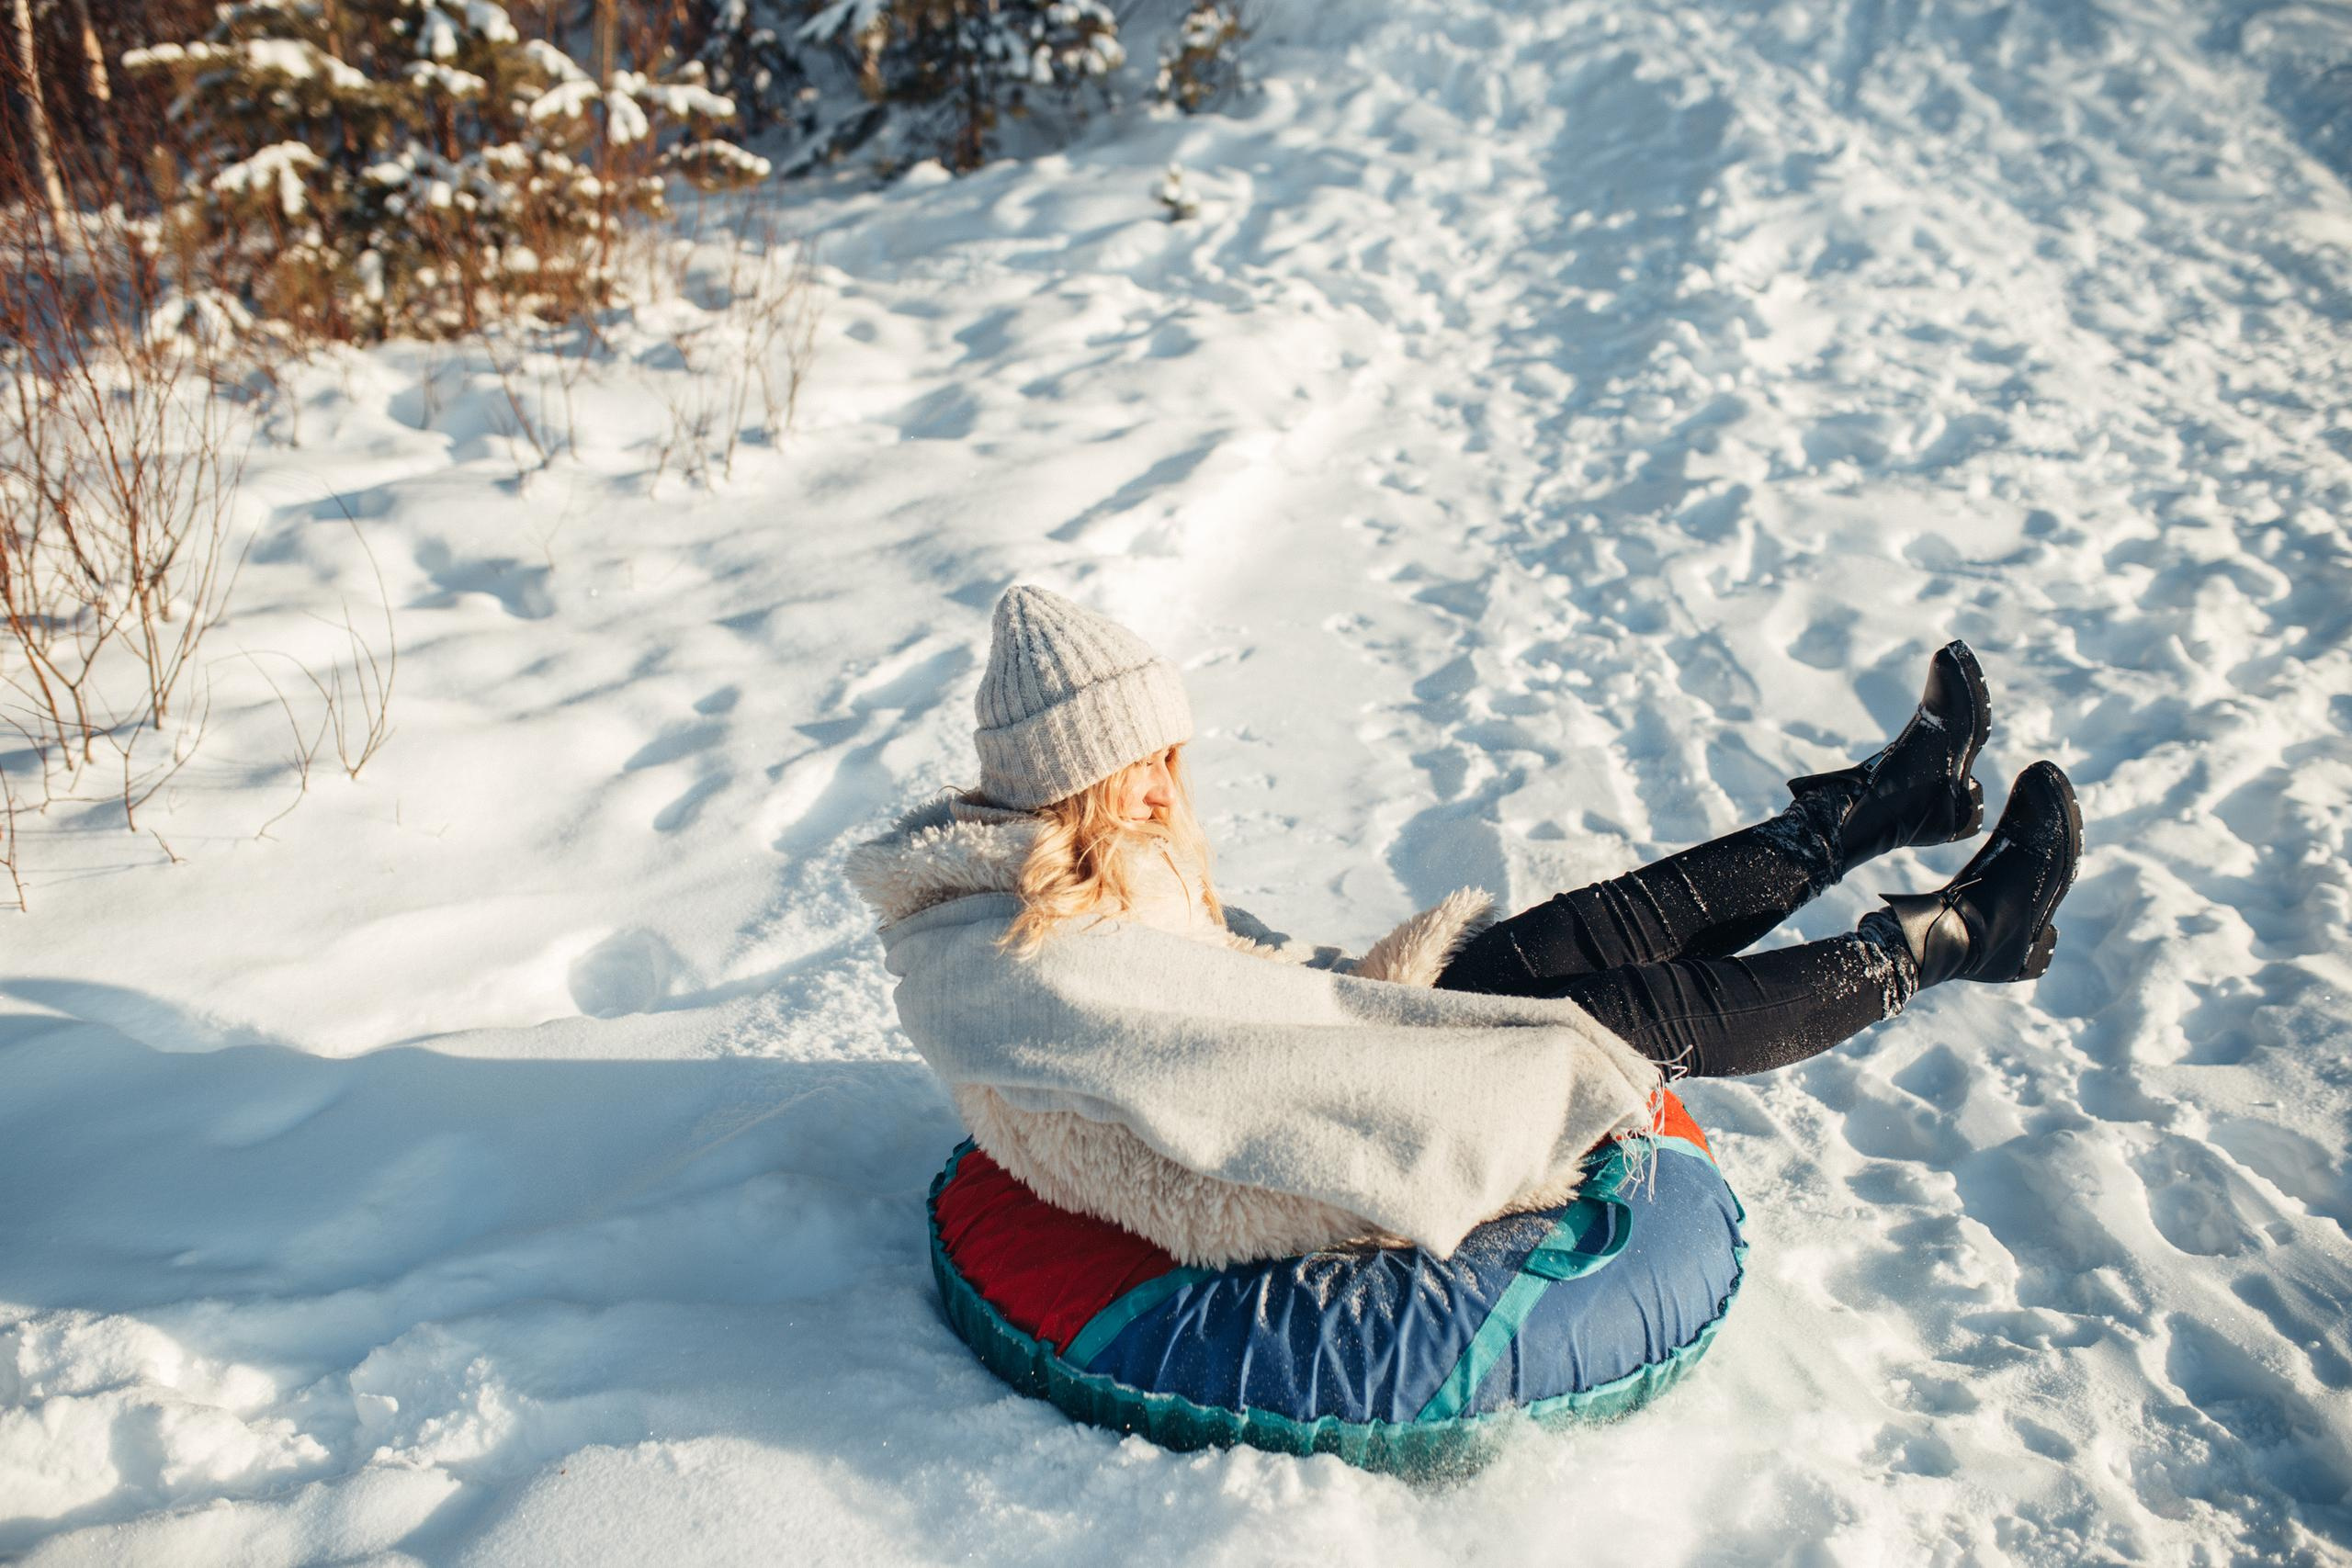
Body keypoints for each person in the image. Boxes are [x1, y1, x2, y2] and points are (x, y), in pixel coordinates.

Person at [846, 586, 2080, 1269]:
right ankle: (1965, 933)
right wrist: (1381, 1036)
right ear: (1065, 781)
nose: (1169, 789)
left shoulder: (1076, 862)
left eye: (1171, 756)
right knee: (1604, 1023)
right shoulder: (1010, 956)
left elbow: (1224, 1004)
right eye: (1137, 769)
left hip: (1298, 1074)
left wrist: (1361, 994)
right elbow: (1209, 1077)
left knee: (1564, 936)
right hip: (1267, 1171)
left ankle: (1874, 808)